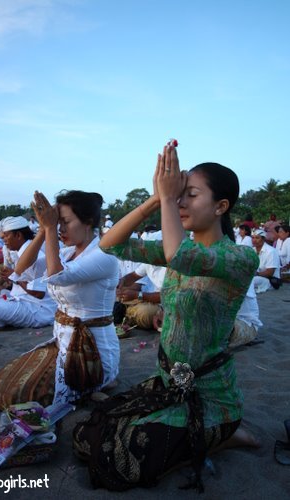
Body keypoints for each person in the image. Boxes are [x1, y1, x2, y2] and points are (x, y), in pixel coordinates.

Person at [73, 144, 259, 491]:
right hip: (169, 382)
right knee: (89, 435)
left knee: (119, 461)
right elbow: (110, 245)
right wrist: (155, 200)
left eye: (190, 195)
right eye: (178, 195)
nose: (181, 202)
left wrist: (169, 198)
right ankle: (209, 437)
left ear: (221, 206)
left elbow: (179, 255)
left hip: (210, 395)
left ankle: (228, 431)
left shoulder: (239, 257)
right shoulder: (176, 248)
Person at [0, 190, 120, 413]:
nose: (61, 229)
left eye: (66, 222)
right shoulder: (69, 253)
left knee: (19, 395)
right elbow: (21, 270)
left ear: (88, 222)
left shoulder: (104, 255)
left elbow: (56, 275)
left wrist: (50, 229)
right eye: (58, 222)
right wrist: (43, 229)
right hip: (63, 344)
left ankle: (103, 380)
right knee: (2, 382)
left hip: (92, 353)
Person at [0, 216, 56, 333]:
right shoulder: (16, 251)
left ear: (18, 235)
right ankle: (3, 324)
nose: (4, 240)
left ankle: (3, 325)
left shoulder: (37, 256)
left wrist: (14, 277)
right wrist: (1, 284)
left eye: (6, 236)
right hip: (21, 300)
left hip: (39, 309)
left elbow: (38, 293)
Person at [252, 228, 281, 293]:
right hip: (258, 277)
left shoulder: (271, 251)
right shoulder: (252, 250)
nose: (254, 240)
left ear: (263, 239)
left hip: (271, 280)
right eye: (253, 238)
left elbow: (270, 273)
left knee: (250, 280)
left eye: (257, 238)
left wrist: (256, 274)